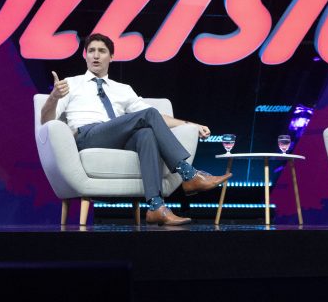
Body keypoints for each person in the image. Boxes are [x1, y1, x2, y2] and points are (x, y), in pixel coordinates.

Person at [40, 33, 232, 226]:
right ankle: (188, 174)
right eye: (91, 51)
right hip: (87, 136)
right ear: (85, 55)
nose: (96, 56)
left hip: (116, 138)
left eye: (101, 51)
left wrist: (190, 124)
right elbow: (46, 121)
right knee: (148, 115)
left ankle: (156, 207)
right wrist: (53, 97)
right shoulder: (70, 84)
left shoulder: (123, 89)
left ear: (111, 57)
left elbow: (155, 117)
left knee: (146, 133)